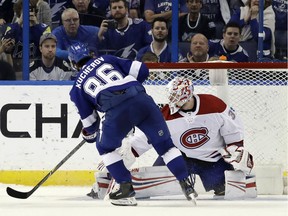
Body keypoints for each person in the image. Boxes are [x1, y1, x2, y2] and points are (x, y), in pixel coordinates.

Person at [68, 42, 197, 206]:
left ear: (73, 64)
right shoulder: (106, 59)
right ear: (91, 54)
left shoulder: (76, 88)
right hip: (142, 100)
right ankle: (186, 185)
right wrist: (133, 93)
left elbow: (91, 124)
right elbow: (143, 70)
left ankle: (125, 189)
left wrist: (90, 134)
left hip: (116, 112)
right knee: (166, 146)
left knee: (105, 148)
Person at [91, 77, 255, 200]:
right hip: (179, 158)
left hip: (213, 161)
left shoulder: (215, 106)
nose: (173, 104)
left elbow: (234, 132)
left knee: (223, 189)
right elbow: (141, 142)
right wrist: (116, 162)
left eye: (178, 100)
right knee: (148, 186)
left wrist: (236, 149)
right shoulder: (165, 115)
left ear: (188, 95)